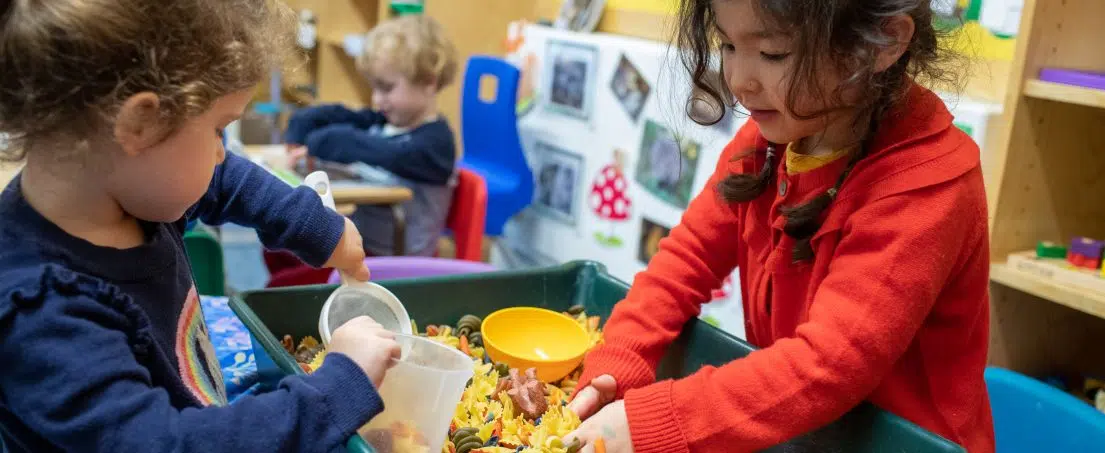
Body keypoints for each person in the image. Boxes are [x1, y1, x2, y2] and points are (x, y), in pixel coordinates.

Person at [565, 1, 994, 452]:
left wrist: (662, 419)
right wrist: (622, 354)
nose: (739, 80)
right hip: (808, 429)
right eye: (728, 45)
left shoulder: (926, 188)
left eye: (772, 54)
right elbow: (686, 258)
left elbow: (827, 366)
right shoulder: (771, 138)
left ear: (882, 42)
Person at [0, 1, 400, 451]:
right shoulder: (43, 314)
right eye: (218, 129)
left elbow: (223, 181)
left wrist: (316, 228)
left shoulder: (124, 189)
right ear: (141, 124)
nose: (220, 152)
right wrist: (338, 387)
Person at [284, 14, 459, 258]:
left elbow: (384, 151)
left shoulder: (435, 145)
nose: (377, 100)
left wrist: (327, 142)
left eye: (386, 88)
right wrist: (303, 122)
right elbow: (345, 116)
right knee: (282, 247)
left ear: (429, 82)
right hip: (363, 248)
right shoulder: (389, 121)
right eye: (373, 88)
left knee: (288, 268)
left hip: (397, 264)